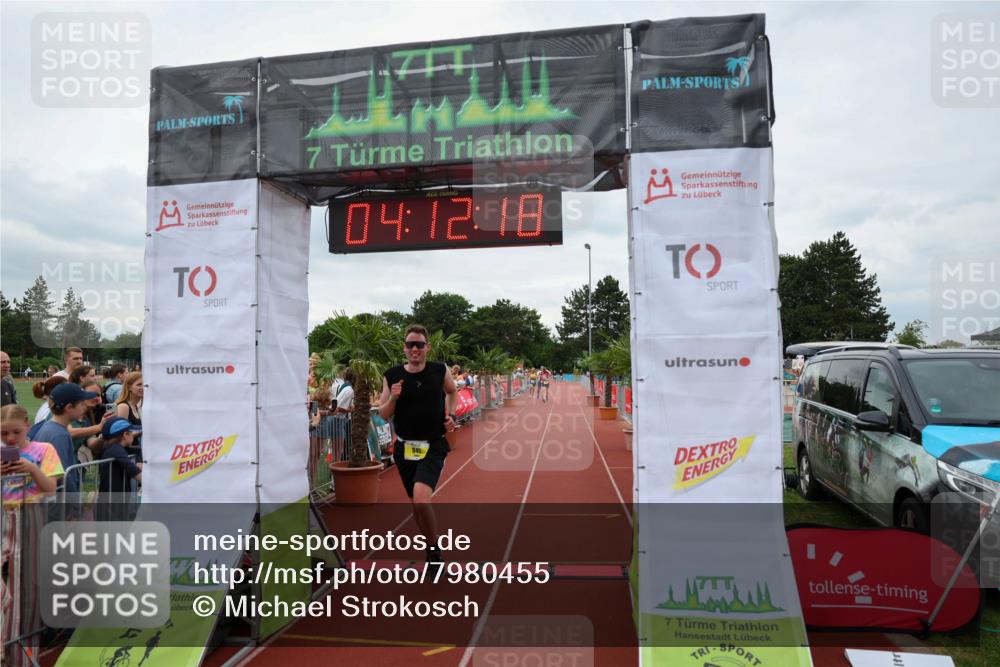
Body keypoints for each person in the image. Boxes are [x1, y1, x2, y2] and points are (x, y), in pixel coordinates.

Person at [379, 325, 459, 564]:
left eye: (420, 345)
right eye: (410, 345)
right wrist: (393, 396)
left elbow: (453, 392)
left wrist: (452, 416)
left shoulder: (439, 370)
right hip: (404, 448)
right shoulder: (392, 375)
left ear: (427, 347)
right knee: (417, 505)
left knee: (422, 500)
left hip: (433, 445)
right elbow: (382, 414)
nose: (415, 349)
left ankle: (434, 551)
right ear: (404, 348)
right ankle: (431, 545)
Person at [1, 404, 63, 667]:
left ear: (27, 424)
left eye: (16, 432)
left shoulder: (43, 450)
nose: (11, 439)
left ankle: (21, 658)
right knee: (7, 591)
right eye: (4, 434)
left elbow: (51, 489)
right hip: (3, 515)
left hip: (31, 516)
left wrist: (31, 468)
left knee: (26, 590)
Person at [32, 383, 98, 496]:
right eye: (82, 404)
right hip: (59, 504)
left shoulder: (53, 428)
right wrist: (75, 506)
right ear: (69, 408)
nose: (84, 408)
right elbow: (64, 475)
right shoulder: (59, 434)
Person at [95, 417, 143, 521]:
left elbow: (138, 450)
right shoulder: (115, 449)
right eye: (131, 433)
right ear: (125, 435)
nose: (133, 436)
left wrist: (139, 462)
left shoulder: (113, 447)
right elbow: (133, 471)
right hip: (111, 503)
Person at [115, 372, 143, 458]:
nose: (143, 388)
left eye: (145, 385)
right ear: (129, 387)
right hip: (125, 456)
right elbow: (120, 436)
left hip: (133, 454)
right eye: (139, 385)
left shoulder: (136, 407)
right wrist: (142, 431)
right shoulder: (124, 407)